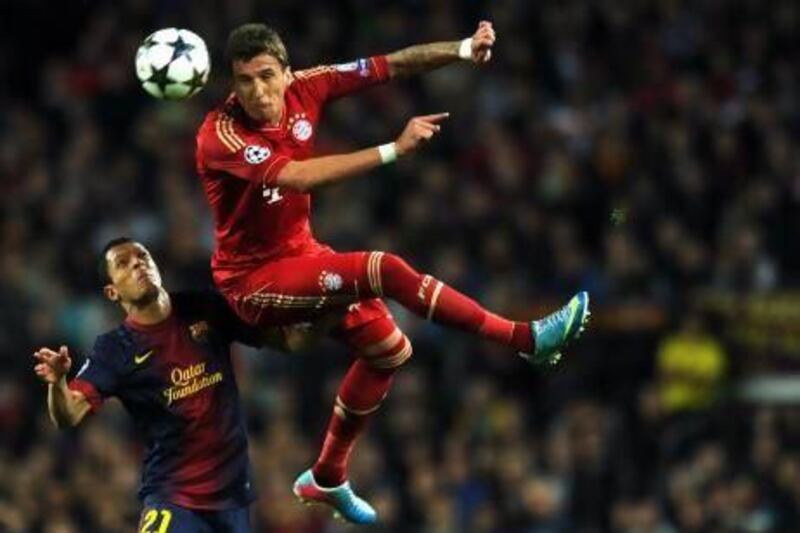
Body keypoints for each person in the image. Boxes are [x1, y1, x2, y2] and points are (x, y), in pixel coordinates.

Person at [195, 22, 590, 523]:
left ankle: (327, 475)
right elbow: (294, 176)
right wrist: (393, 150)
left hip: (302, 254)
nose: (257, 91)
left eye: (267, 76)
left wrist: (464, 49)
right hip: (251, 280)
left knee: (389, 349)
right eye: (244, 81)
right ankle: (526, 339)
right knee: (383, 267)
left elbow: (392, 64)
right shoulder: (220, 134)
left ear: (287, 72)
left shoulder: (308, 86)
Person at [32, 237, 327, 533]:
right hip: (173, 499)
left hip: (234, 499)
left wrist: (339, 308)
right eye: (123, 263)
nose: (137, 263)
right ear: (112, 292)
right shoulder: (115, 349)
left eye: (143, 256)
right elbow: (67, 415)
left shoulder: (204, 307)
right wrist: (57, 382)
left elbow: (290, 340)